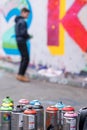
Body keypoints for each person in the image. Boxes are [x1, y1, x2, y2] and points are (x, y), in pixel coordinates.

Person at [15, 7, 32, 82]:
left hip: (18, 41)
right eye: (27, 14)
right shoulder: (22, 21)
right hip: (22, 41)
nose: (27, 16)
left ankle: (19, 74)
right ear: (23, 13)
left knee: (23, 58)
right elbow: (23, 33)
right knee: (26, 58)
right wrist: (28, 36)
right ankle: (21, 75)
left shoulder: (18, 21)